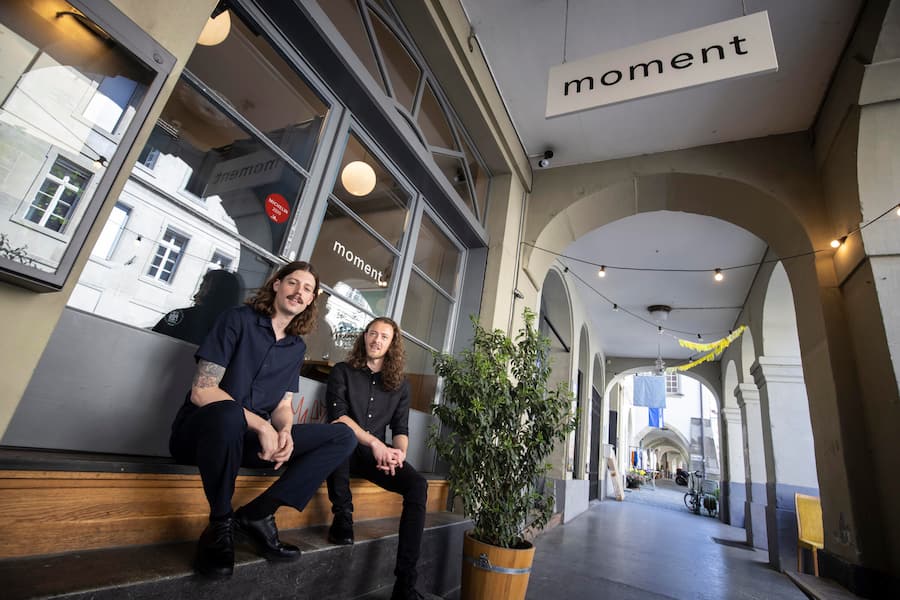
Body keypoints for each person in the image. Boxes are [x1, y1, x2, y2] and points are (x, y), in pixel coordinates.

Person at [169, 261, 357, 579]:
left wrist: (284, 430)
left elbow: (283, 404)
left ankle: (258, 514)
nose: (299, 292)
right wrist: (261, 424)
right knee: (228, 413)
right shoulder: (237, 320)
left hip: (248, 443)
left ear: (312, 300)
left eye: (308, 289)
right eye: (293, 283)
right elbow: (203, 392)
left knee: (343, 436)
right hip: (202, 436)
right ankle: (219, 524)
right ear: (277, 285)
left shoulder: (296, 346)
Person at [325, 317, 429, 600]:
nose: (376, 340)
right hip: (344, 449)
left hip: (376, 456)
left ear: (392, 344)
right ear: (364, 336)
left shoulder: (400, 384)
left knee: (418, 485)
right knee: (341, 439)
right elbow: (338, 418)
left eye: (384, 336)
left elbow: (401, 428)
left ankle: (405, 584)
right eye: (373, 333)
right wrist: (374, 444)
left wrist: (398, 454)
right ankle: (343, 516)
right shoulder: (342, 371)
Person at [152, 268, 242, 345]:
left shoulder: (179, 316)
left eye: (202, 287)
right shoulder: (232, 332)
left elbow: (150, 341)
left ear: (211, 291)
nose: (195, 295)